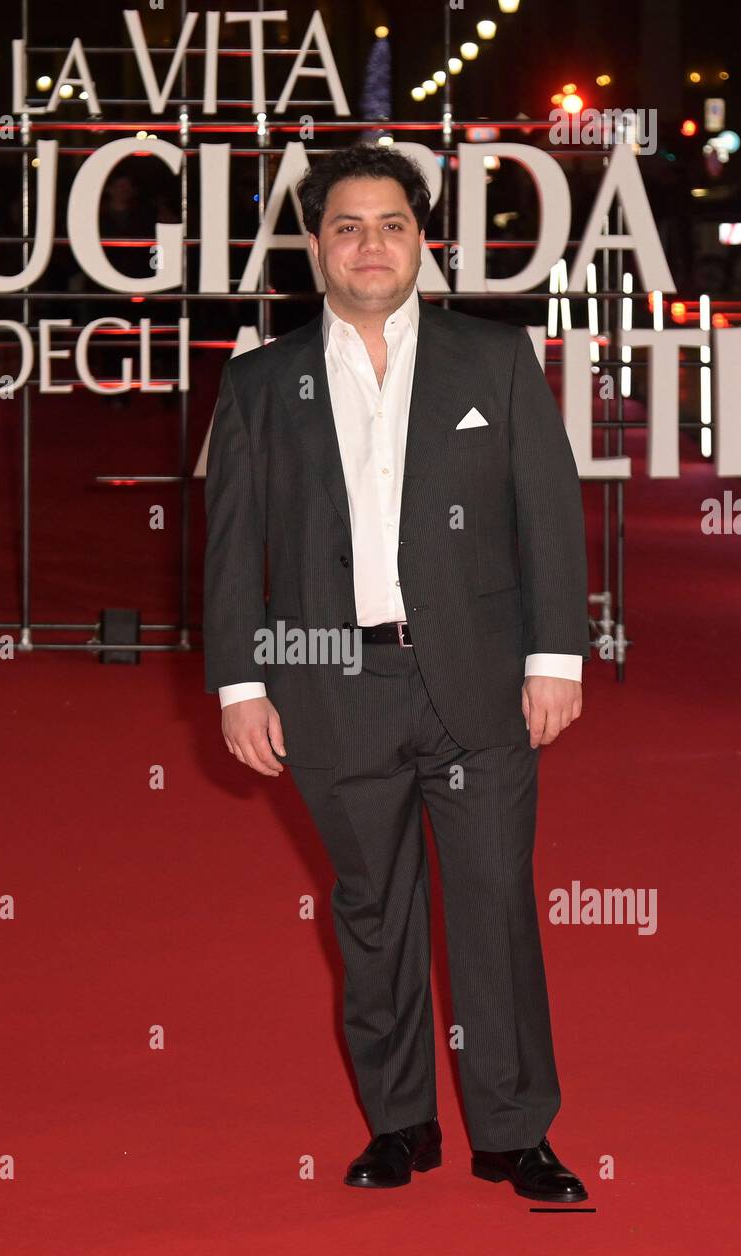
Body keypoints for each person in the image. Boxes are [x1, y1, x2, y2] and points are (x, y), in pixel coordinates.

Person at [203, 143, 590, 1201]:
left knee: (493, 909)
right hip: (332, 686)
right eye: (345, 225)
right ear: (313, 245)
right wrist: (241, 683)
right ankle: (398, 1121)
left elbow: (546, 517)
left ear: (422, 241)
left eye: (389, 225)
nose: (368, 245)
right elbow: (234, 550)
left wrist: (554, 658)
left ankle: (515, 1133)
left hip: (477, 687)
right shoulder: (254, 383)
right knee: (372, 915)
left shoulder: (494, 359)